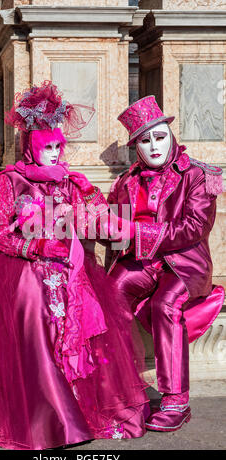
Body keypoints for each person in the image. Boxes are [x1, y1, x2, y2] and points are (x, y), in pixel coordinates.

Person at [0, 82, 149, 450]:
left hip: (70, 269)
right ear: (30, 146)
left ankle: (78, 408)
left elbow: (97, 221)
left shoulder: (67, 181)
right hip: (24, 266)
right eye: (47, 146)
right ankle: (51, 419)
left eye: (59, 146)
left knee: (90, 317)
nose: (54, 153)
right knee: (33, 304)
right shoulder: (10, 181)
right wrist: (35, 246)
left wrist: (88, 194)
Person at [107, 95, 225, 432]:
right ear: (137, 147)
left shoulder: (197, 175)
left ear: (170, 136)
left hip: (184, 265)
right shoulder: (126, 181)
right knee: (109, 293)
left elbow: (194, 228)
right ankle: (122, 386)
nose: (155, 146)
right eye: (145, 140)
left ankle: (177, 400)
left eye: (160, 137)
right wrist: (92, 218)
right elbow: (117, 226)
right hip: (142, 261)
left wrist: (137, 231)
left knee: (164, 305)